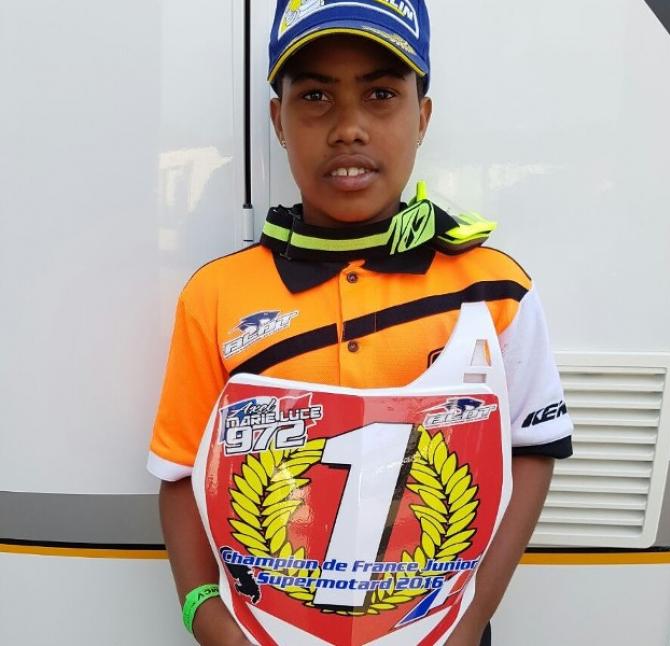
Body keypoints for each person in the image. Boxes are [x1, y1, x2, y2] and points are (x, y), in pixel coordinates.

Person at [148, 1, 573, 644]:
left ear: (422, 117)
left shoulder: (495, 289)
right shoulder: (215, 295)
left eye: (380, 94)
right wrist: (206, 616)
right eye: (316, 96)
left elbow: (532, 450)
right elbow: (181, 472)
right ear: (278, 121)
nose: (348, 128)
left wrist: (466, 624)